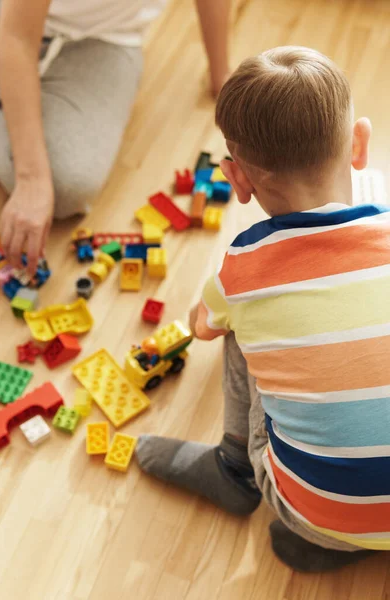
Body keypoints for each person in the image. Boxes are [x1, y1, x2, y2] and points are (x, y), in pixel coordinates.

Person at [135, 46, 390, 572]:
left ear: (238, 179)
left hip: (315, 513)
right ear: (359, 145)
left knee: (236, 325)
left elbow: (201, 327)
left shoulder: (245, 269)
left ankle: (234, 469)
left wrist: (215, 311)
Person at [0, 0, 232, 275]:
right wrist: (30, 178)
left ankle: (13, 94)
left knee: (66, 185)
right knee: (41, 178)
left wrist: (220, 73)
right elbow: (17, 37)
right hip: (8, 19)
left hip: (105, 39)